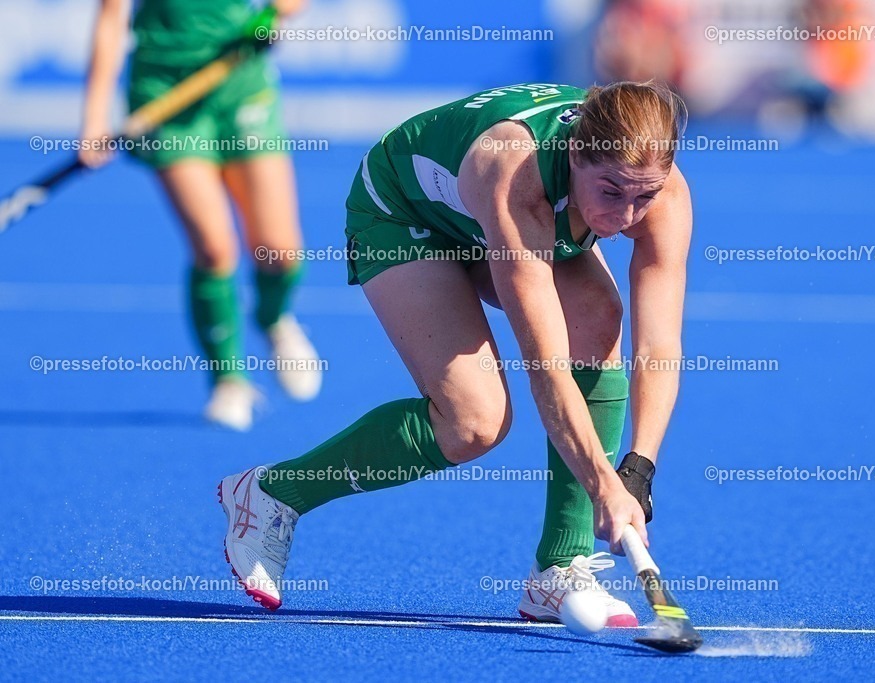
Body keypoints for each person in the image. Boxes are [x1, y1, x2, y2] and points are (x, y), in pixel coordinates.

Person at [219, 81, 693, 624]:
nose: (627, 215)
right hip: (405, 213)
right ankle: (273, 493)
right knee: (474, 422)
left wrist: (638, 468)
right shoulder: (518, 176)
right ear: (575, 156)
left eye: (643, 196)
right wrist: (602, 486)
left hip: (484, 216)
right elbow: (546, 367)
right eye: (610, 192)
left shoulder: (661, 192)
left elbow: (659, 347)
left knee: (598, 315)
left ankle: (559, 569)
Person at [80, 0, 321, 431]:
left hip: (239, 80)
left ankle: (272, 319)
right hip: (165, 95)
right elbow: (111, 19)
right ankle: (229, 380)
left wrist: (275, 14)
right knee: (213, 250)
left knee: (278, 252)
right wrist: (95, 118)